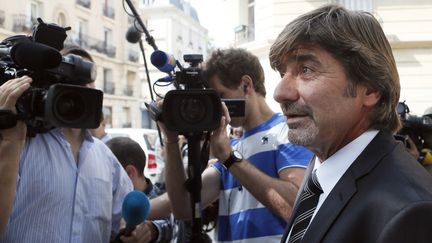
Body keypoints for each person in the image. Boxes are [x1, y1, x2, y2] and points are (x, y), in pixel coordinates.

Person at [268, 4, 432, 243]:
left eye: (306, 69)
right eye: (283, 73)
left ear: (370, 88)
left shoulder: (408, 211)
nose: (280, 92)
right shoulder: (321, 168)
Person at [161, 48, 313, 242]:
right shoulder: (232, 146)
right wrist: (171, 141)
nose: (217, 107)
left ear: (246, 85)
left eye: (220, 96)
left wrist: (229, 158)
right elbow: (183, 207)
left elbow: (298, 209)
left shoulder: (287, 132)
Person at [0, 47, 135, 243]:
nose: (81, 89)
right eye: (70, 81)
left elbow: (126, 217)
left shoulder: (106, 158)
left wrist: (145, 229)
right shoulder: (19, 145)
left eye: (86, 79)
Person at [106, 137, 173, 243]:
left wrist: (152, 230)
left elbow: (168, 226)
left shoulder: (163, 202)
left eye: (108, 173)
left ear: (129, 172)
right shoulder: (107, 202)